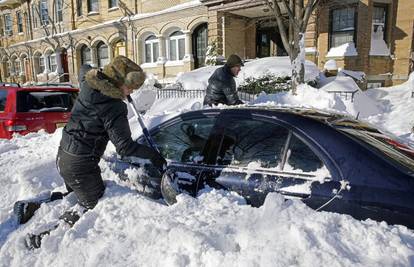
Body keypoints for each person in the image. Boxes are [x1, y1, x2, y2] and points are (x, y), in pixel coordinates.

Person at [16, 56, 166, 248]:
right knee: (92, 204)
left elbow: (84, 68)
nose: (132, 92)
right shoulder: (113, 106)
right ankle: (42, 239)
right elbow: (125, 147)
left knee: (77, 194)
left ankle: (31, 207)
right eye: (131, 87)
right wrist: (155, 156)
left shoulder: (88, 82)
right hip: (81, 165)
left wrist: (104, 77)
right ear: (119, 83)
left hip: (64, 155)